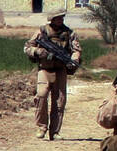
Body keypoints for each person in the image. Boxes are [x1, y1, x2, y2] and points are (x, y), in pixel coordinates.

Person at [23, 9, 81, 140]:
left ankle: (54, 132)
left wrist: (73, 60)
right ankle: (41, 127)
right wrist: (38, 52)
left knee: (59, 102)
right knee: (41, 95)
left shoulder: (69, 33)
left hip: (61, 70)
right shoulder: (41, 32)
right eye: (58, 18)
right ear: (52, 19)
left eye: (62, 18)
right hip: (45, 69)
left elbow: (76, 50)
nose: (61, 20)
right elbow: (27, 47)